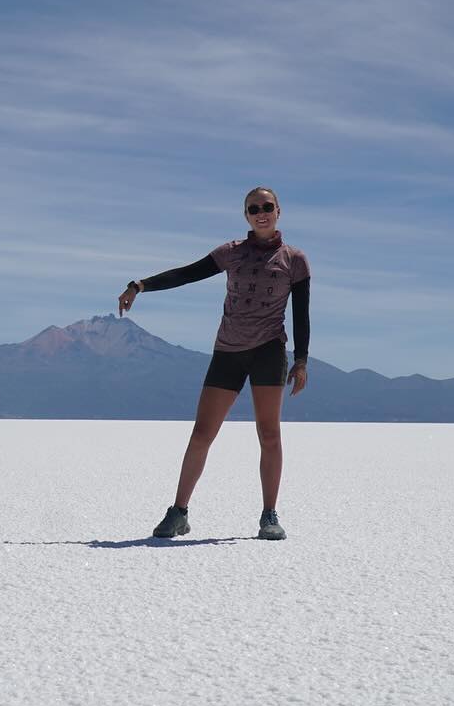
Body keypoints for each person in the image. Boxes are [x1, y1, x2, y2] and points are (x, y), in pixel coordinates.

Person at [118, 187, 311, 541]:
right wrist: (140, 285)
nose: (261, 213)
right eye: (254, 209)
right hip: (228, 352)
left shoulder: (294, 260)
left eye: (267, 207)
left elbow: (301, 313)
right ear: (246, 215)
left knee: (269, 434)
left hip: (269, 351)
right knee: (202, 433)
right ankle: (178, 512)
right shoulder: (231, 253)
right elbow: (188, 273)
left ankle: (269, 515)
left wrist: (300, 360)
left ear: (279, 211)